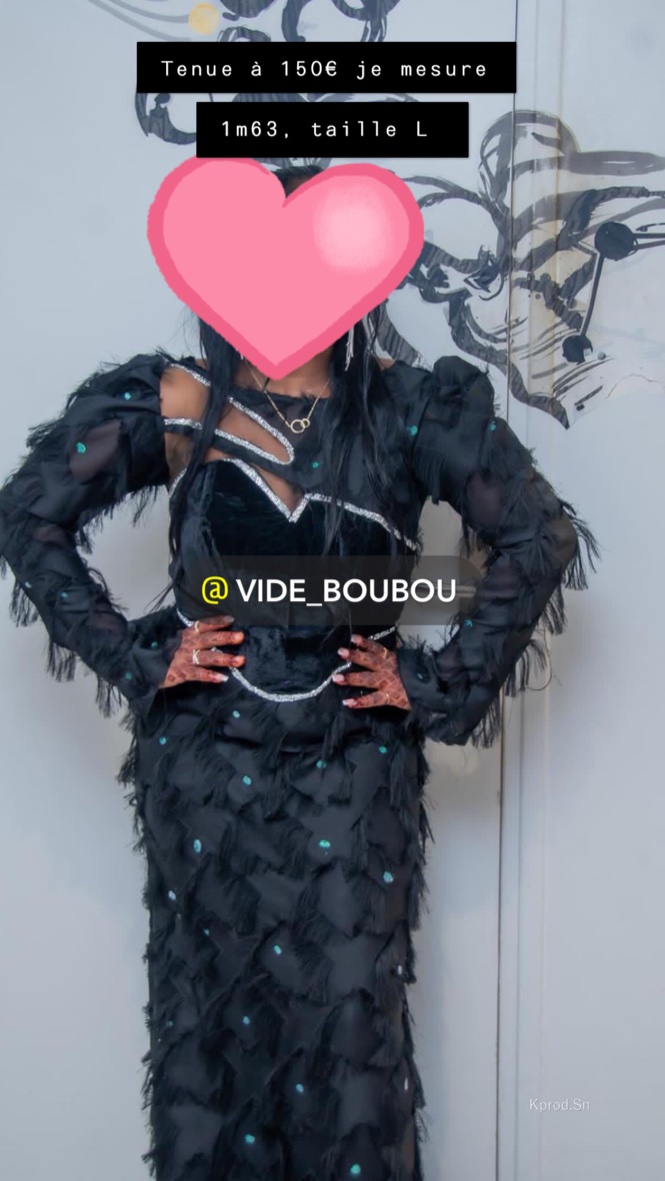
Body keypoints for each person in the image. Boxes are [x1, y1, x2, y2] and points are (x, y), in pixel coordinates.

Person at [0, 164, 599, 1181]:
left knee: (351, 1044)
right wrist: (138, 650)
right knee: (212, 1037)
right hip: (205, 773)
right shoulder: (178, 401)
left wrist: (433, 681)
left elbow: (536, 536)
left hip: (351, 768)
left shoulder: (409, 409)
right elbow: (30, 514)